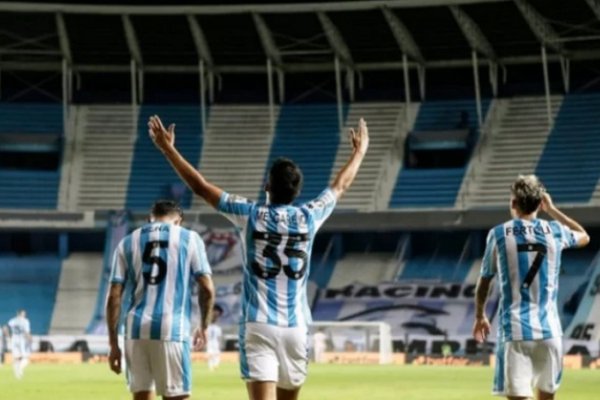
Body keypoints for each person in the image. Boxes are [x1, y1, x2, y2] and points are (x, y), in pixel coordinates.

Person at [149, 115, 369, 400]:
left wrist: (169, 149)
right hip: (296, 327)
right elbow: (340, 186)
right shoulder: (309, 215)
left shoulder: (249, 214)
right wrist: (360, 152)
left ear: (267, 186)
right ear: (297, 192)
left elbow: (201, 187)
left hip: (258, 325)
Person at [472, 175, 590, 400]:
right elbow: (584, 236)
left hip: (515, 331)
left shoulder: (498, 234)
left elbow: (484, 280)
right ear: (539, 203)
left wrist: (480, 315)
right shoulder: (555, 231)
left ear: (513, 203)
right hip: (550, 332)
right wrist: (553, 209)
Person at [106, 200, 215, 400]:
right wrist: (204, 326)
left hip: (135, 331)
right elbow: (206, 287)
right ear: (179, 220)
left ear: (150, 219)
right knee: (176, 396)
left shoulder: (128, 242)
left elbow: (114, 295)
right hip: (171, 329)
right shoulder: (190, 238)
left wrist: (113, 344)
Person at [7, 309, 31, 379]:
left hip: (14, 339)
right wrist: (29, 339)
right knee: (26, 358)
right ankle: (20, 369)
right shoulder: (25, 321)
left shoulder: (12, 321)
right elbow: (27, 332)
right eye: (23, 314)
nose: (24, 315)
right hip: (21, 340)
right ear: (21, 314)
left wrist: (9, 337)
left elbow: (6, 328)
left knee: (16, 358)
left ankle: (17, 374)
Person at [206, 304, 223, 372]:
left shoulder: (217, 328)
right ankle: (210, 366)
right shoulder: (209, 327)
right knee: (210, 353)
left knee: (216, 353)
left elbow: (219, 337)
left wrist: (219, 343)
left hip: (215, 342)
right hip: (210, 342)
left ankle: (216, 365)